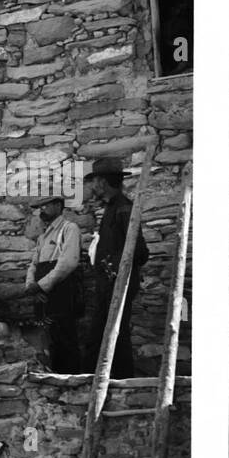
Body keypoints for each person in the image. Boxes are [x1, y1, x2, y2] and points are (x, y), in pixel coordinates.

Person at [87, 159, 149, 378]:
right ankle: (103, 378)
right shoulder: (112, 209)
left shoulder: (123, 209)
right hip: (108, 284)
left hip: (119, 284)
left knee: (116, 332)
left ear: (103, 183)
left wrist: (118, 268)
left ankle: (122, 381)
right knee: (103, 332)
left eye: (94, 181)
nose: (92, 187)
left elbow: (140, 252)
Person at [21, 195, 83, 373]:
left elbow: (68, 262)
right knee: (47, 337)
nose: (41, 210)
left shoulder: (69, 229)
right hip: (43, 296)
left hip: (62, 292)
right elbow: (34, 264)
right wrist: (31, 286)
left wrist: (41, 286)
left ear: (58, 206)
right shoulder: (43, 237)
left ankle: (70, 379)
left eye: (45, 206)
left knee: (65, 336)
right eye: (39, 207)